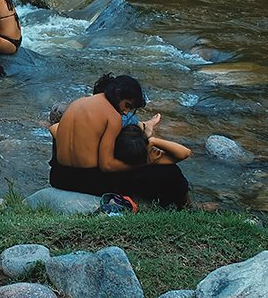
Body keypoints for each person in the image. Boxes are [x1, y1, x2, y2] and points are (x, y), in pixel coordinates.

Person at [48, 75, 191, 208]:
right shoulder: (112, 115)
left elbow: (55, 130)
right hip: (88, 183)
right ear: (117, 94)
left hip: (59, 178)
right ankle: (185, 207)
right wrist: (147, 161)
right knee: (167, 170)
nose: (125, 112)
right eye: (127, 105)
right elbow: (107, 166)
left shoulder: (77, 103)